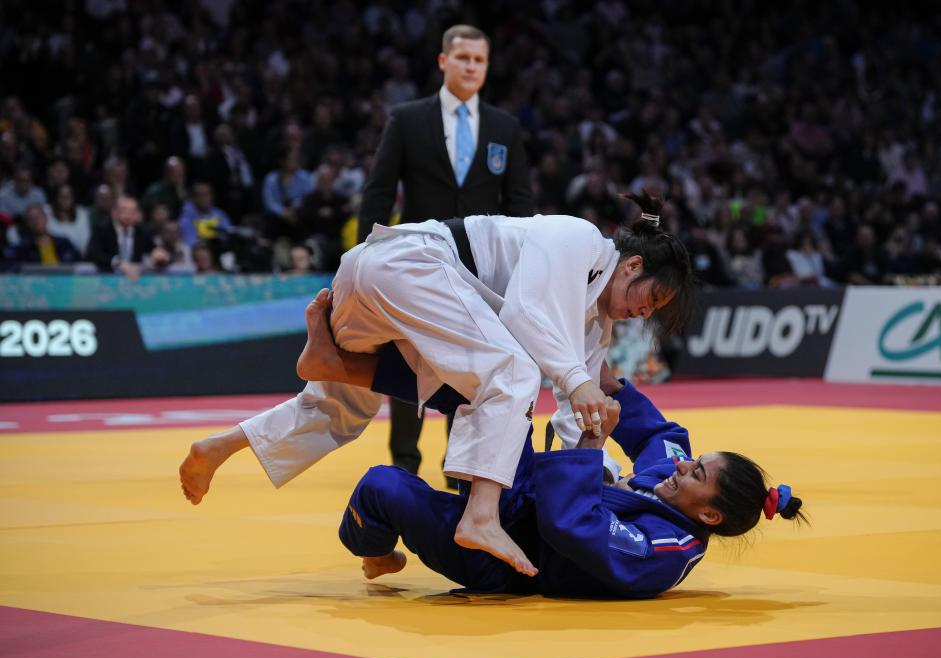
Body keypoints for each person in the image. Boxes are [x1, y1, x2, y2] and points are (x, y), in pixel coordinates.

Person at [179, 192, 693, 577]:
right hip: (409, 265)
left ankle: (222, 445)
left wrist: (599, 477)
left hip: (379, 294)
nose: (643, 313)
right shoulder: (578, 240)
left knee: (342, 412)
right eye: (650, 298)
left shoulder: (593, 330)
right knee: (511, 372)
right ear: (632, 265)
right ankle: (481, 516)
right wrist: (579, 380)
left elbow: (571, 412)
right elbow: (525, 314)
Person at [341, 351, 805, 599]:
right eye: (695, 459)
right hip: (520, 496)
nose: (684, 465)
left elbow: (572, 524)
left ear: (709, 515)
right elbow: (659, 435)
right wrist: (601, 376)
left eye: (697, 472)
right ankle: (347, 367)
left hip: (507, 562)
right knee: (494, 390)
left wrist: (593, 443)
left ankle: (375, 552)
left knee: (380, 486)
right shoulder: (674, 483)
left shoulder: (665, 552)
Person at [357, 24, 534, 484]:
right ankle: (404, 466)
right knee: (406, 359)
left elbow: (519, 204)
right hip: (416, 260)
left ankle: (461, 467)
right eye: (463, 58)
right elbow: (379, 191)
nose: (471, 67)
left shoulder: (505, 127)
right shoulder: (407, 119)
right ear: (443, 61)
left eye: (479, 60)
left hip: (479, 267)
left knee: (471, 367)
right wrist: (363, 255)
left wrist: (522, 268)